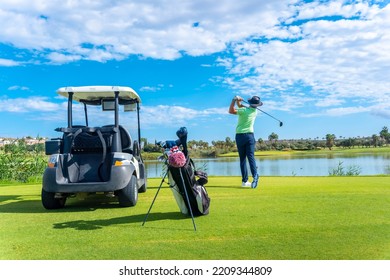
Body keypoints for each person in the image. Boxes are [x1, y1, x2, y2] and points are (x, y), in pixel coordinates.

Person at [228, 95, 262, 188]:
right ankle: (255, 176)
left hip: (240, 136)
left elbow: (231, 111)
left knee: (242, 159)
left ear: (250, 103)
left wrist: (233, 100)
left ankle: (244, 181)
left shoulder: (244, 111)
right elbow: (241, 107)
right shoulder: (254, 111)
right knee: (251, 157)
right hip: (250, 136)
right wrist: (239, 102)